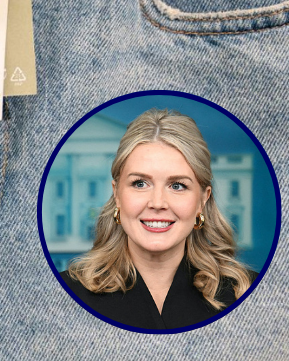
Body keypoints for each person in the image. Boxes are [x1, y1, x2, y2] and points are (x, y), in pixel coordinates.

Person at [61, 108, 256, 330]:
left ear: (203, 200)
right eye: (140, 183)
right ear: (117, 194)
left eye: (177, 186)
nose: (157, 202)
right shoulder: (62, 292)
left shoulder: (247, 291)